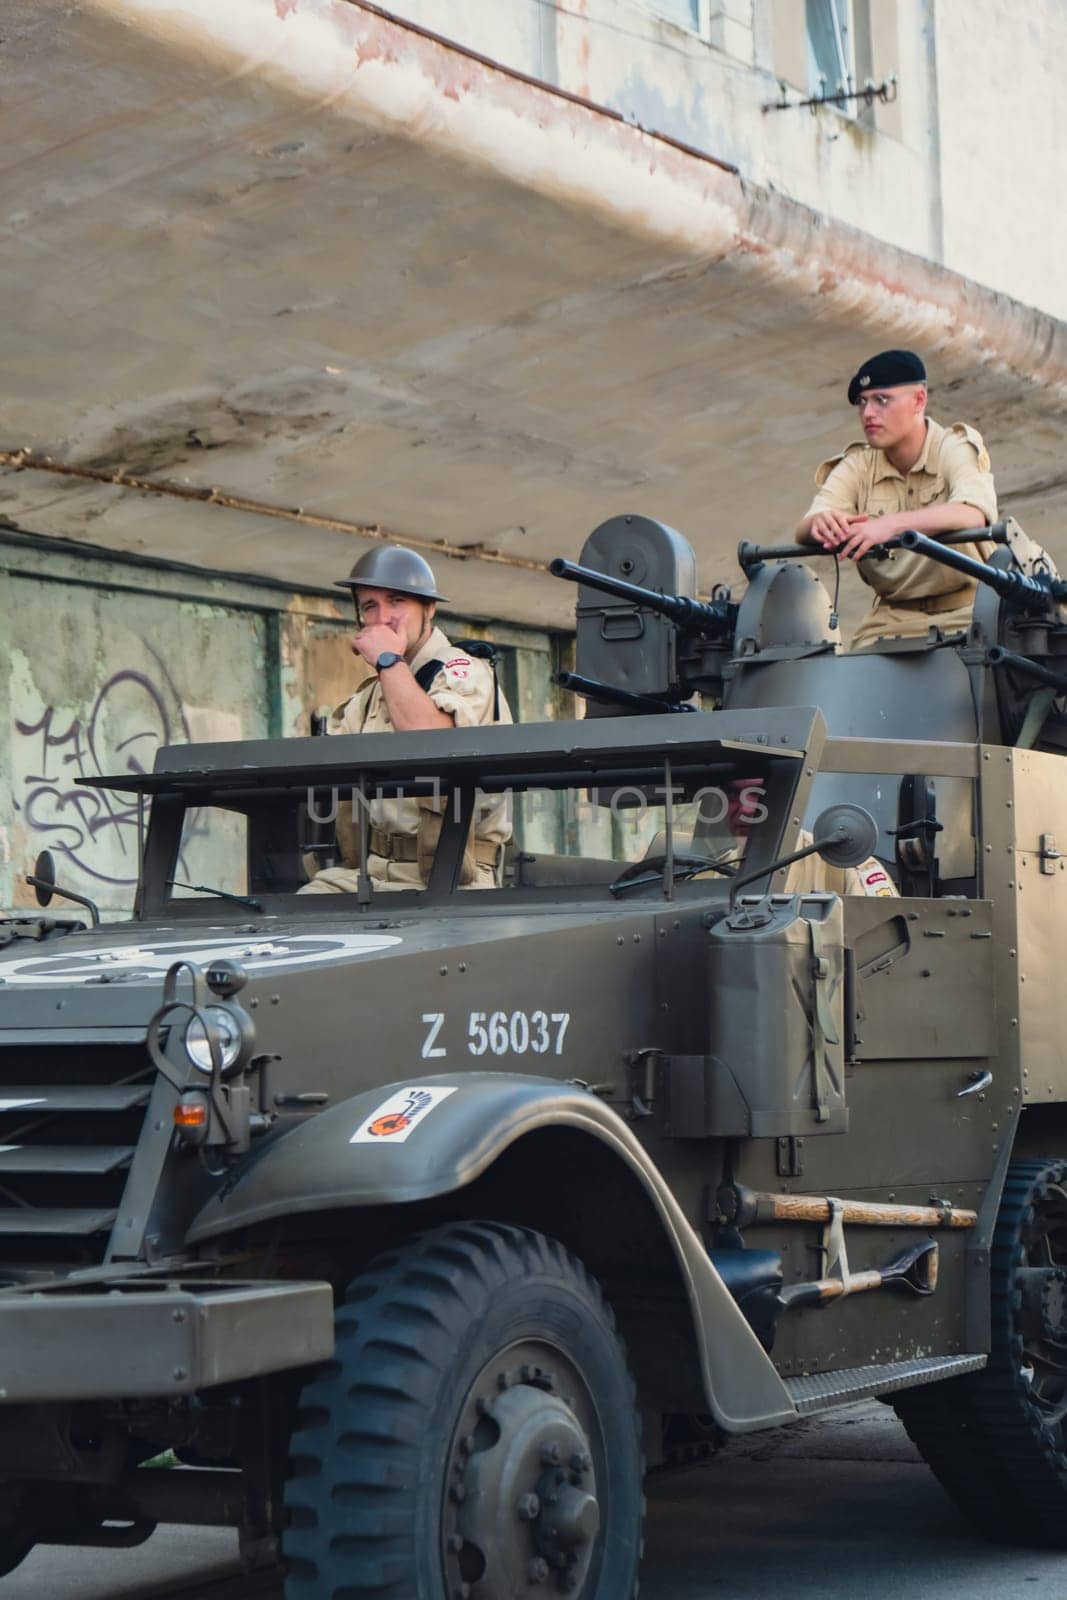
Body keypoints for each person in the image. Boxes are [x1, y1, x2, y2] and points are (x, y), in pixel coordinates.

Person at [300, 545, 511, 894]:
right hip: (369, 873)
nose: (383, 617)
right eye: (370, 606)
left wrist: (387, 658)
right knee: (289, 926)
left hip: (451, 877)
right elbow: (325, 773)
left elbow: (431, 742)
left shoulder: (464, 672)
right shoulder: (368, 696)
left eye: (397, 601)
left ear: (429, 608)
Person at [795, 350, 998, 649]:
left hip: (971, 610)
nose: (867, 413)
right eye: (862, 402)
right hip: (892, 618)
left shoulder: (952, 447)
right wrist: (821, 523)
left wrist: (889, 526)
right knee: (847, 684)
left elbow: (973, 513)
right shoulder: (858, 464)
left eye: (882, 400)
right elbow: (804, 528)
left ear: (919, 400)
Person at [698, 779, 897, 897]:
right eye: (733, 794)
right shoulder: (707, 875)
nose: (745, 809)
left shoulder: (847, 870)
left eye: (758, 794)